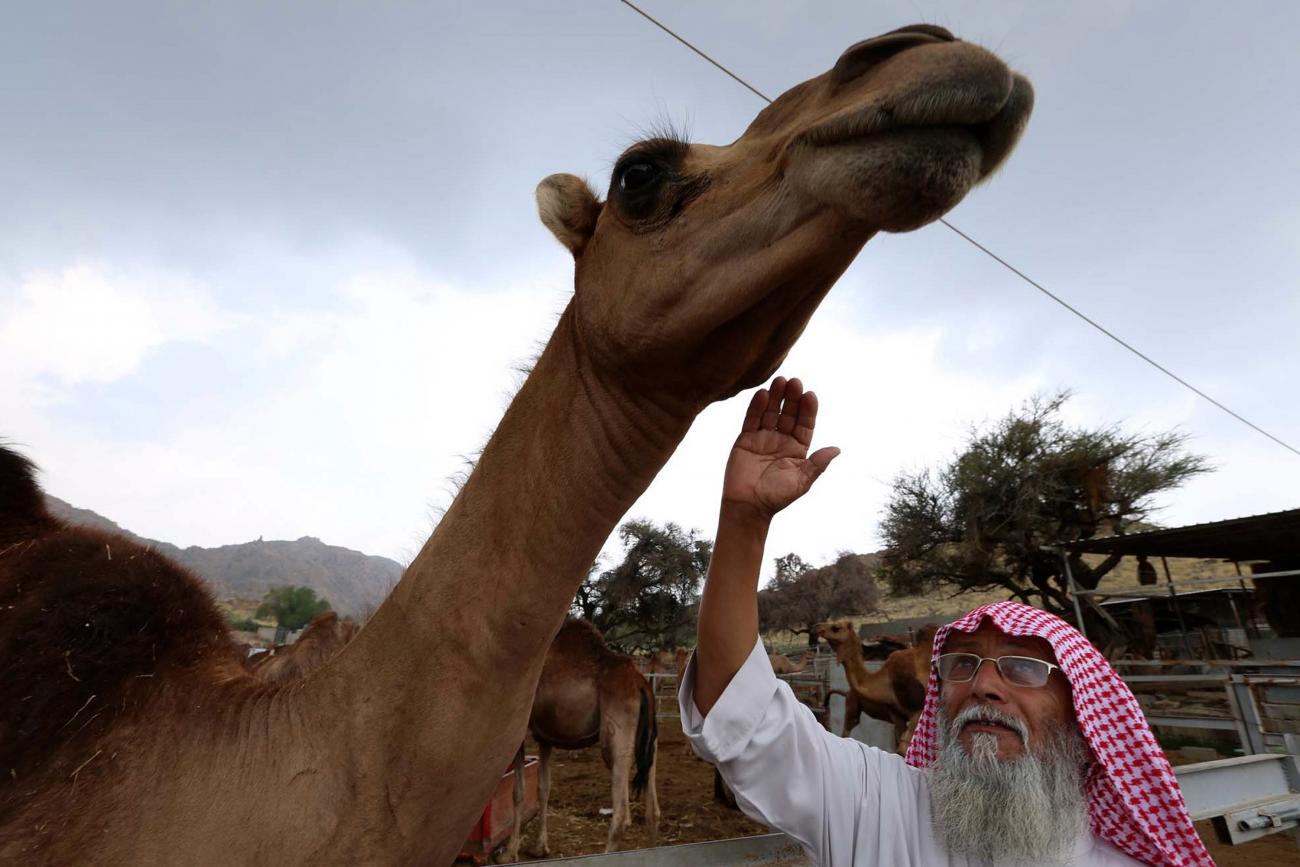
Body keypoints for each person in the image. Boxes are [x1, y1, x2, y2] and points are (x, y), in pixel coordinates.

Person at [679, 376, 1213, 867]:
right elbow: (743, 717)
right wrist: (745, 520)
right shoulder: (884, 811)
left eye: (1022, 670)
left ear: (1081, 712)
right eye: (962, 665)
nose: (983, 685)